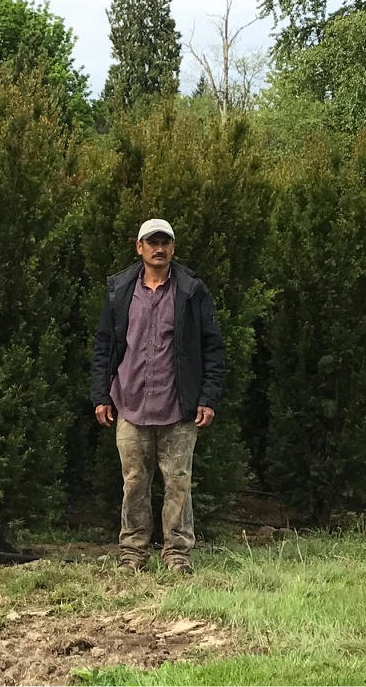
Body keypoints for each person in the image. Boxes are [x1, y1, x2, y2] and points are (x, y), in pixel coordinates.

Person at [90, 218, 225, 574]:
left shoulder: (191, 290)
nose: (159, 248)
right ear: (140, 248)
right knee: (134, 482)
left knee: (178, 482)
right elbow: (105, 344)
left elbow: (213, 346)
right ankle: (132, 552)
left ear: (173, 248)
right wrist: (101, 395)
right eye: (152, 242)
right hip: (130, 404)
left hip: (178, 407)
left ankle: (177, 554)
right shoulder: (120, 290)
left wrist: (208, 397)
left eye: (165, 242)